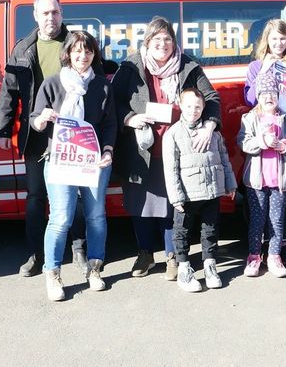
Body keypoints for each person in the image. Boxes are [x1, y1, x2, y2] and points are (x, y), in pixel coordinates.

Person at [111, 16, 221, 279]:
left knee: (174, 205)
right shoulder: (130, 66)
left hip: (177, 150)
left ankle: (173, 256)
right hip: (141, 150)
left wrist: (209, 126)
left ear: (174, 43)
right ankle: (145, 254)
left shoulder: (188, 66)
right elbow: (112, 103)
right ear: (147, 41)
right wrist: (129, 118)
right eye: (157, 39)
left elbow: (212, 98)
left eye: (168, 39)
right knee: (141, 205)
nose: (163, 44)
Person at [0, 0, 87, 277]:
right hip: (36, 133)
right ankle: (36, 254)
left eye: (55, 12)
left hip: (73, 132)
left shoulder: (77, 43)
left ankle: (79, 251)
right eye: (45, 13)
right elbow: (8, 91)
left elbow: (94, 84)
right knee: (36, 196)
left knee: (76, 195)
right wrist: (3, 128)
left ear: (62, 13)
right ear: (35, 16)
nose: (51, 18)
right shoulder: (22, 48)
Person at [29, 31, 115, 302]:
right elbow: (35, 119)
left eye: (88, 51)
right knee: (61, 218)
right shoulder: (53, 83)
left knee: (96, 216)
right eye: (77, 51)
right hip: (60, 160)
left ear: (94, 55)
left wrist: (109, 150)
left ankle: (95, 268)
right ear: (68, 53)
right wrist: (42, 118)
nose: (83, 56)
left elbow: (110, 123)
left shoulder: (102, 85)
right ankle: (52, 273)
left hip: (94, 162)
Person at [162, 88, 237, 293]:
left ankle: (210, 265)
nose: (193, 110)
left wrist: (230, 184)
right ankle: (184, 268)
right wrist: (175, 197)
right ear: (179, 105)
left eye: (197, 106)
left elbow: (224, 159)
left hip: (212, 191)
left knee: (210, 230)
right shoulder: (173, 134)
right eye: (188, 106)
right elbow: (171, 169)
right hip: (187, 195)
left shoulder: (213, 133)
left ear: (204, 107)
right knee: (182, 232)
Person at [242, 18, 286, 265]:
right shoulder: (256, 66)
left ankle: (281, 247)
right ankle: (258, 250)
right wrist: (266, 70)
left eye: (283, 38)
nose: (278, 43)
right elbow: (248, 99)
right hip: (262, 143)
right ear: (266, 40)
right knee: (259, 201)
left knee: (284, 195)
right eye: (274, 38)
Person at [238, 72, 286, 279]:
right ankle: (254, 256)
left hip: (280, 181)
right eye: (264, 93)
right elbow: (242, 142)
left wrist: (284, 145)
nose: (269, 97)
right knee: (257, 221)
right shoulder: (249, 118)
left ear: (279, 96)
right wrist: (261, 142)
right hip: (256, 182)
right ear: (258, 95)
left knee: (276, 221)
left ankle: (275, 256)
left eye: (273, 93)